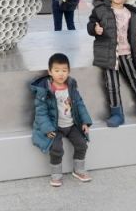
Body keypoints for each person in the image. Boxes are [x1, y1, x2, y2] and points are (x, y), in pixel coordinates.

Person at [87, 0, 136, 127]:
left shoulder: (131, 14)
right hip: (109, 54)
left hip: (127, 54)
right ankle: (117, 114)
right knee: (112, 85)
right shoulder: (101, 11)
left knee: (135, 81)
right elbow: (91, 25)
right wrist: (95, 29)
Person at [30, 53, 93, 187]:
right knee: (56, 149)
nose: (61, 74)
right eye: (57, 70)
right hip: (55, 127)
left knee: (82, 144)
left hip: (71, 124)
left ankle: (79, 170)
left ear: (68, 71)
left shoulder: (71, 86)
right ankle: (56, 175)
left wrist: (85, 122)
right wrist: (48, 129)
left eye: (64, 70)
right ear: (50, 72)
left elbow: (79, 104)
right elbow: (41, 112)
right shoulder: (45, 91)